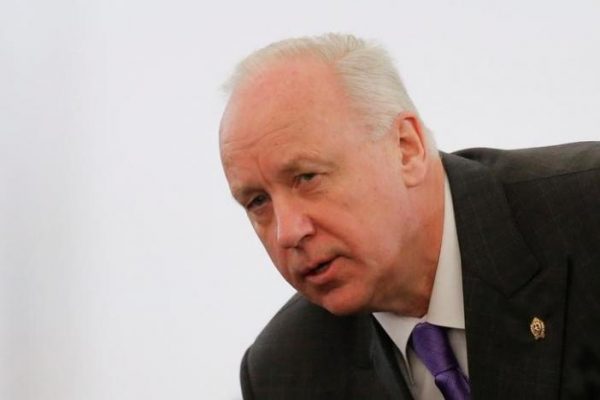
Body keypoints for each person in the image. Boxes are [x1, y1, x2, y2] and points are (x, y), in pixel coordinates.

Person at [219, 33, 600, 400]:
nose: (287, 232)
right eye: (257, 202)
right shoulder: (286, 371)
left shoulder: (587, 211)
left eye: (306, 177)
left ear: (406, 148)